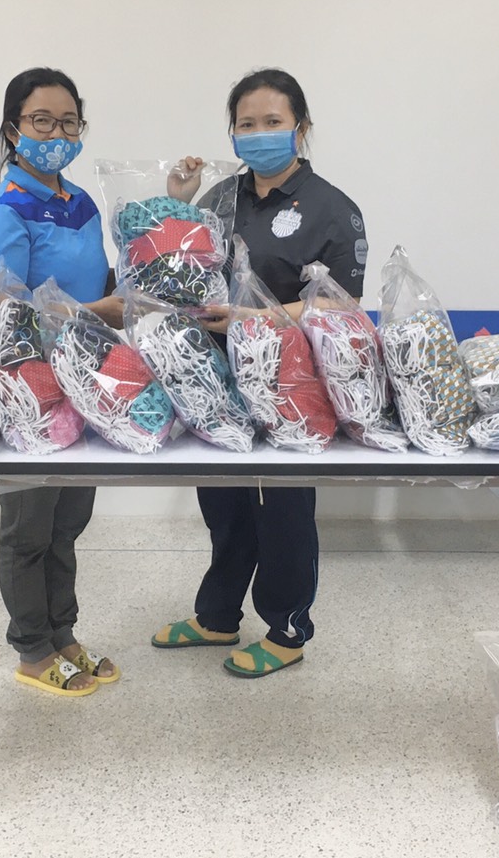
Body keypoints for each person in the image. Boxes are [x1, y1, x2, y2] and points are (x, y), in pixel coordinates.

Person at [151, 68, 368, 678]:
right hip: (217, 381)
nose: (258, 134)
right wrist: (180, 201)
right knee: (224, 502)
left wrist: (254, 318)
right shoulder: (221, 198)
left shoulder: (333, 210)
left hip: (290, 386)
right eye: (246, 124)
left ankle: (287, 628)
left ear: (301, 127)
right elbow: (181, 268)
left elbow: (341, 304)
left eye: (273, 122)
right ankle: (218, 615)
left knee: (284, 510)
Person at [0, 66, 123, 697]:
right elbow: (3, 315)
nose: (57, 134)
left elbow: (99, 282)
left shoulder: (79, 202)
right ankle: (32, 648)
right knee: (29, 525)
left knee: (68, 521)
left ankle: (64, 633)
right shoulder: (5, 211)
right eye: (41, 122)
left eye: (68, 122)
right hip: (29, 388)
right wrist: (97, 312)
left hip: (85, 380)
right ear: (13, 130)